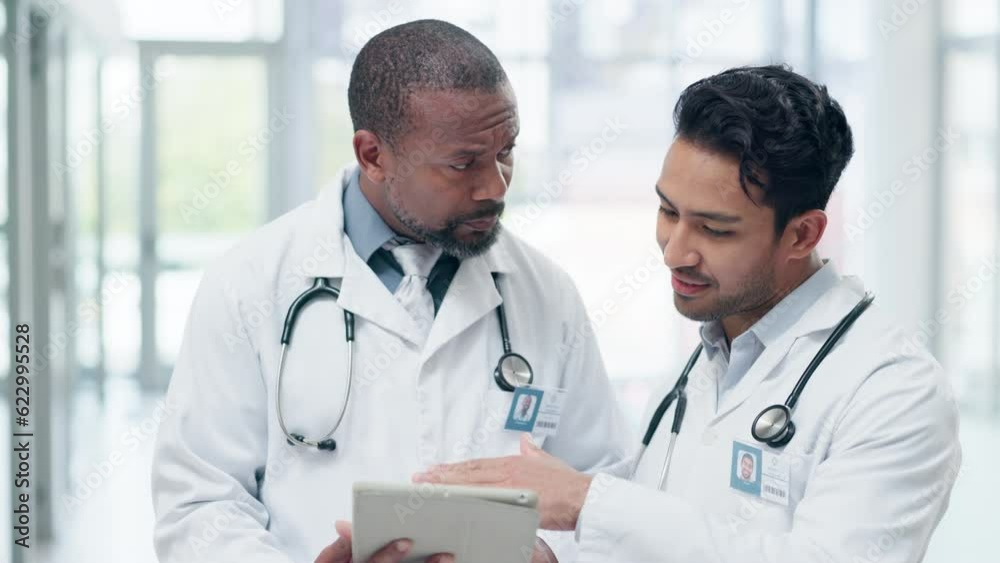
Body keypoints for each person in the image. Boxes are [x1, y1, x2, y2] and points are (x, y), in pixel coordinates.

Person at [415, 65, 962, 562]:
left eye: (714, 229)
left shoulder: (893, 391)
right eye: (668, 211)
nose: (675, 252)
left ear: (803, 234)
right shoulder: (703, 365)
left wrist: (589, 502)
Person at [151, 20, 628, 563]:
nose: (495, 186)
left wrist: (548, 557)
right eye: (463, 163)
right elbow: (200, 505)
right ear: (373, 155)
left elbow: (602, 487)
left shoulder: (546, 293)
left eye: (506, 152)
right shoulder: (248, 285)